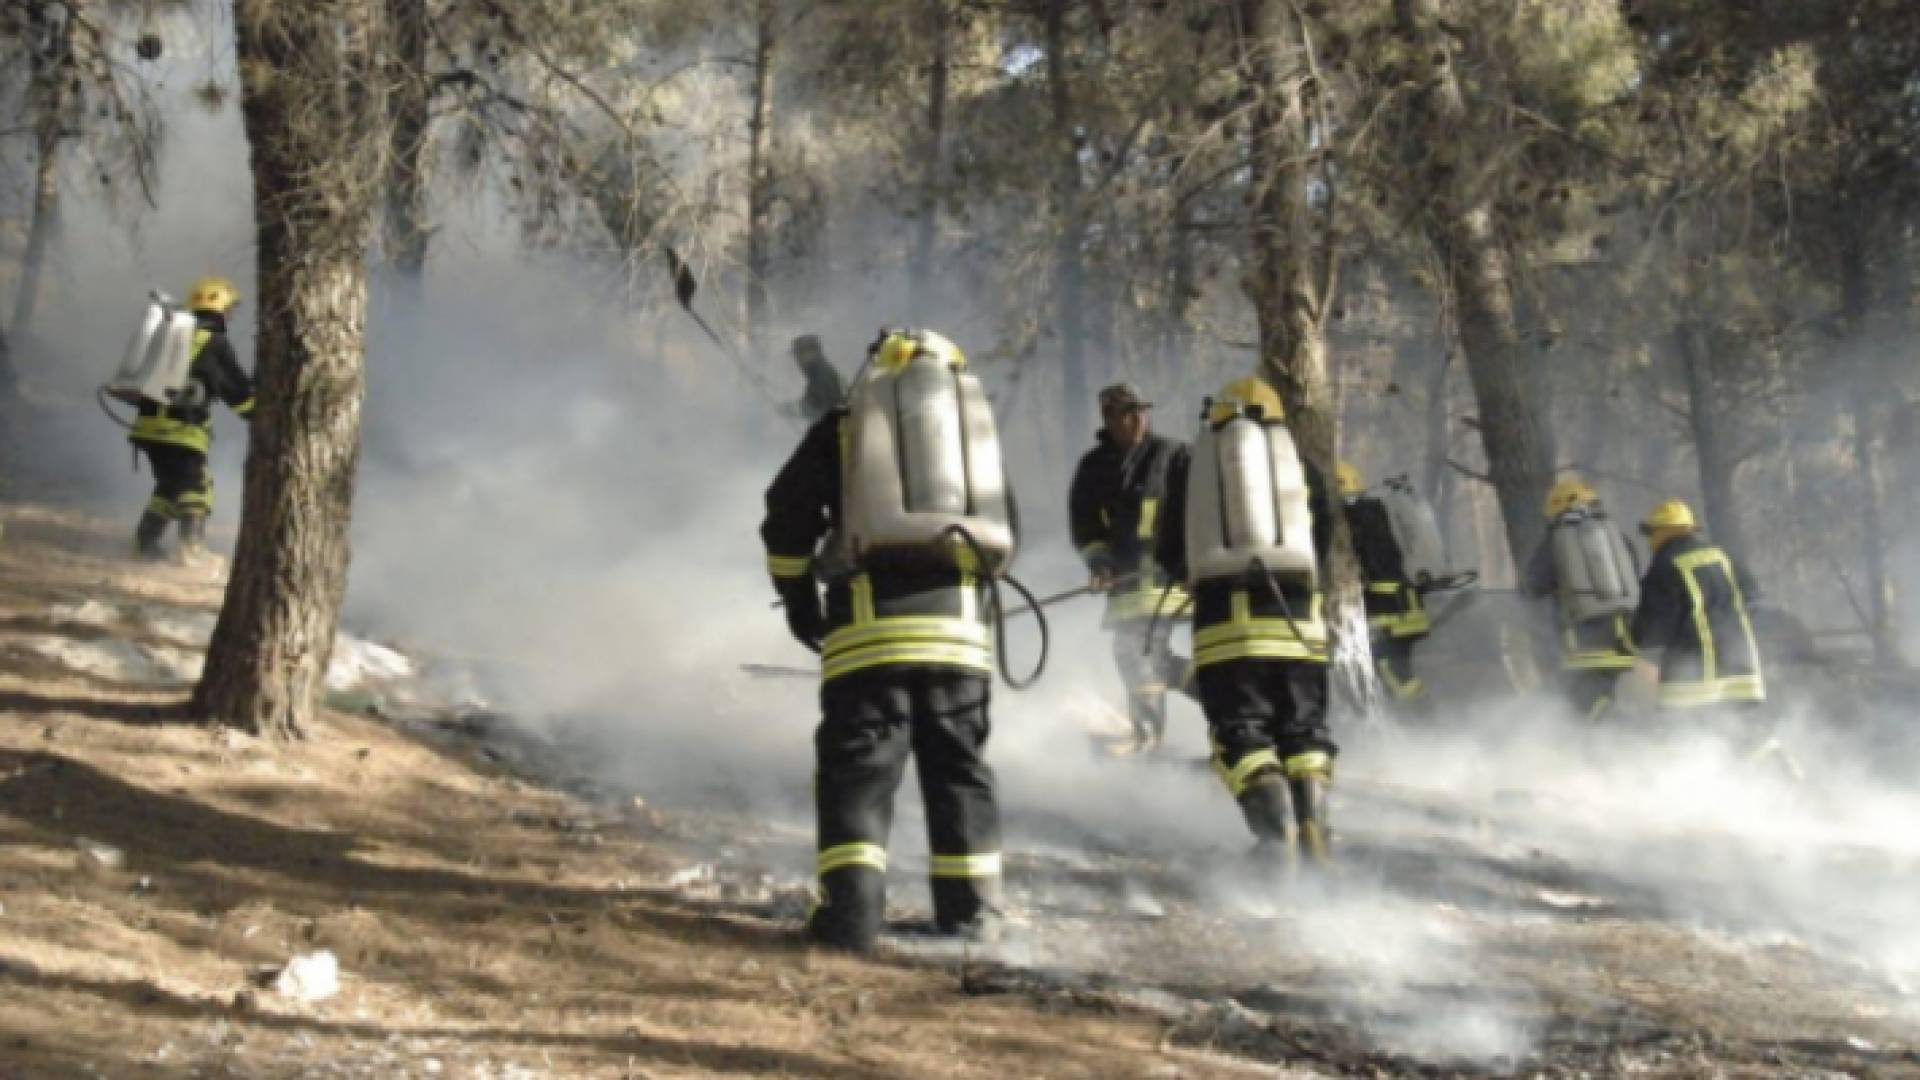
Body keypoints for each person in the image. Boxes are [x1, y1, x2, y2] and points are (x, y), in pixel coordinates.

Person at [760, 328, 1010, 954]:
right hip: (960, 640)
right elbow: (1008, 533)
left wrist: (798, 600)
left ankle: (851, 920)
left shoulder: (844, 428)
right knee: (960, 773)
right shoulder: (970, 437)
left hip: (869, 637)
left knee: (861, 776)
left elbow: (785, 514)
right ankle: (973, 921)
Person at [1156, 375, 1337, 864]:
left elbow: (1170, 551)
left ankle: (1275, 835)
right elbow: (1320, 547)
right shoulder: (1303, 471)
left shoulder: (1193, 469)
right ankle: (1316, 826)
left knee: (1242, 733)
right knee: (1304, 734)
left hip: (1226, 630)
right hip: (1300, 627)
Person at [1068, 383, 1190, 752]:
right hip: (1124, 588)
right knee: (1151, 658)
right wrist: (1099, 561)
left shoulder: (1175, 456)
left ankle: (1149, 737)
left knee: (1137, 653)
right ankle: (1217, 692)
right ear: (1109, 418)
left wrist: (1188, 561)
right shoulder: (1094, 467)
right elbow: (1086, 523)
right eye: (1128, 412)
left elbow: (1194, 513)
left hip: (1165, 583)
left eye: (1142, 411)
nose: (1139, 419)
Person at [130, 276, 254, 564]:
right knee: (198, 487)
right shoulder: (215, 342)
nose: (231, 316)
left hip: (147, 428)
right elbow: (236, 391)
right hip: (182, 430)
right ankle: (191, 549)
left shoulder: (172, 333)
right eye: (230, 309)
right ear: (220, 308)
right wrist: (257, 411)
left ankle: (145, 544)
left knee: (170, 486)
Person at [1629, 498, 1767, 713]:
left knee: (1687, 741)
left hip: (1690, 685)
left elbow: (1656, 625)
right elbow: (1753, 600)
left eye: (1651, 533)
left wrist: (1633, 639)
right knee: (1743, 739)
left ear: (1660, 532)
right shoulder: (1723, 556)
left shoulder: (1666, 565)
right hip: (1740, 673)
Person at [1522, 476, 1639, 719]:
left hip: (1582, 644)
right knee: (1603, 695)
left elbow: (1531, 586)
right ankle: (1617, 742)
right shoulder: (1619, 539)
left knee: (1586, 704)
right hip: (1621, 639)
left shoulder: (1556, 542)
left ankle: (1621, 736)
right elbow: (1634, 577)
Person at [1336, 461, 1433, 713]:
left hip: (1387, 614)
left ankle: (1426, 731)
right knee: (1399, 674)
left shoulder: (1351, 519)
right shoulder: (1378, 510)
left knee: (1393, 676)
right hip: (1406, 607)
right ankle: (1423, 725)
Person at [788, 334, 845, 423]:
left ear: (812, 352)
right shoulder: (818, 375)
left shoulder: (823, 374)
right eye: (796, 355)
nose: (798, 360)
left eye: (799, 353)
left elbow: (822, 407)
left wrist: (790, 409)